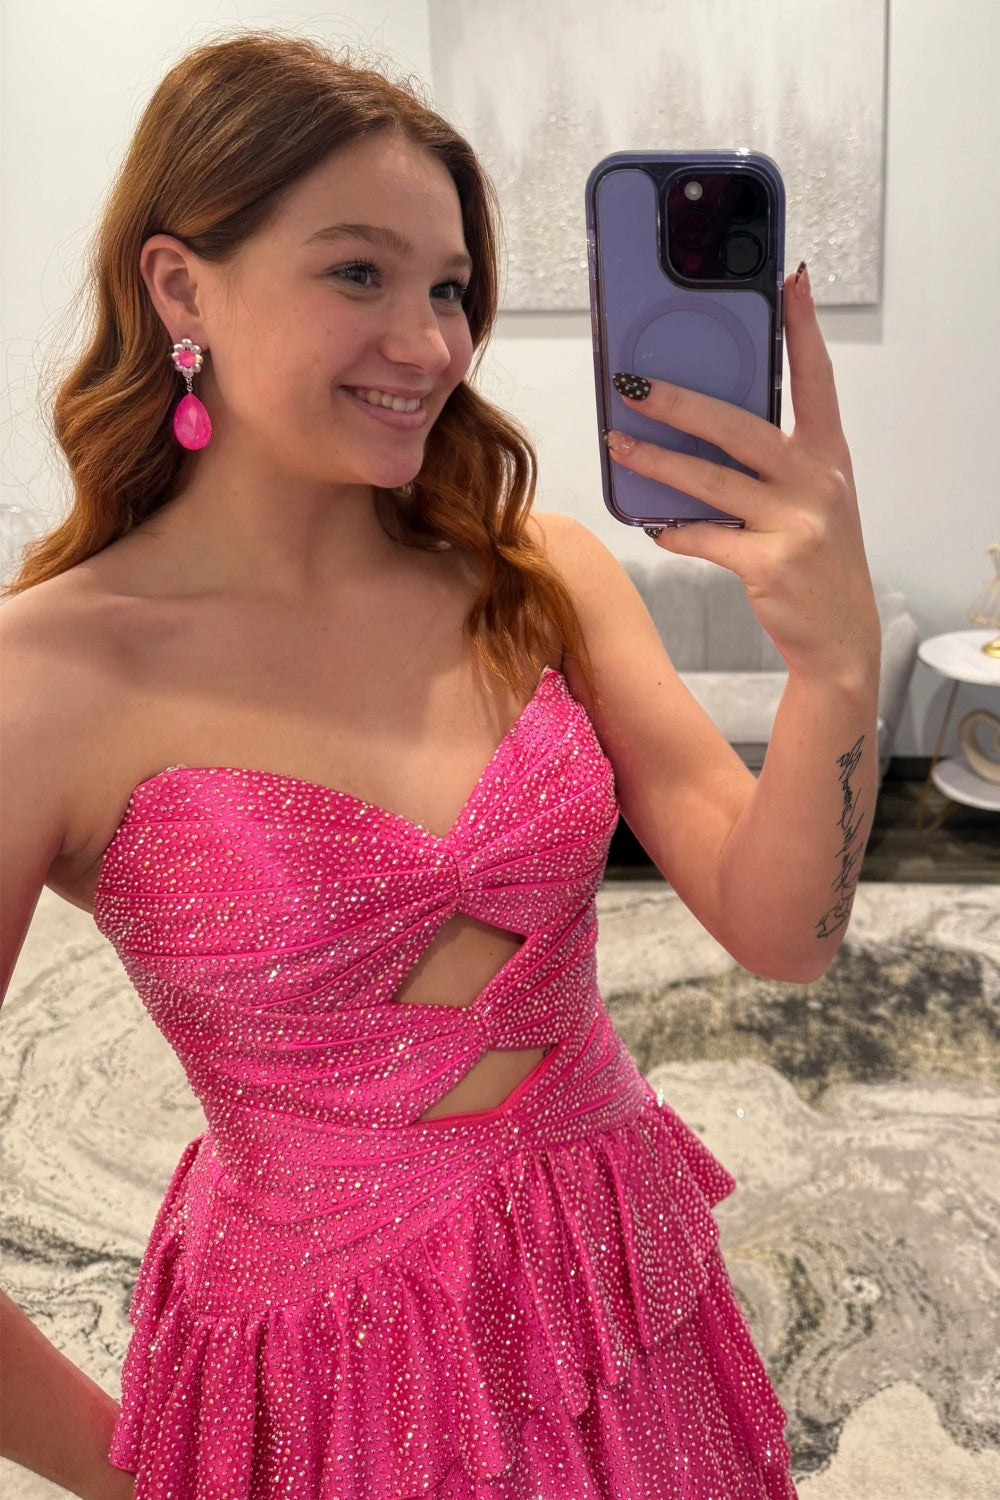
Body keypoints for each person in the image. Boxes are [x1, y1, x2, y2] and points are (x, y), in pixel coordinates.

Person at [0, 28, 881, 1500]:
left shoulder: (536, 573)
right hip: (319, 1372)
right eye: (359, 273)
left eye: (452, 288)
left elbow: (785, 930)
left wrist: (839, 666)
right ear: (180, 286)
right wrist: (160, 1469)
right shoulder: (46, 678)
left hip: (615, 1299)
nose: (430, 345)